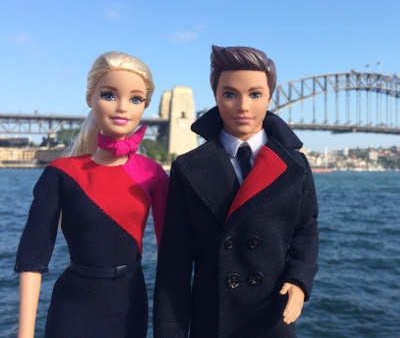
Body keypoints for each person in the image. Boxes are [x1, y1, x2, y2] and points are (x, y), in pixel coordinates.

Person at [153, 45, 319, 337]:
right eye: (230, 94)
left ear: (270, 96)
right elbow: (174, 267)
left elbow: (305, 230)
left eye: (255, 94)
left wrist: (300, 279)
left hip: (272, 318)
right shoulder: (188, 169)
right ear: (215, 96)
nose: (243, 106)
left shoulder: (296, 166)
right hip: (213, 321)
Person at [14, 51, 169, 337]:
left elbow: (172, 256)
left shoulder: (153, 174)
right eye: (109, 95)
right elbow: (32, 258)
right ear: (90, 98)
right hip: (72, 308)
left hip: (130, 306)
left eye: (135, 99)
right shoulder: (61, 173)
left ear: (145, 106)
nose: (123, 107)